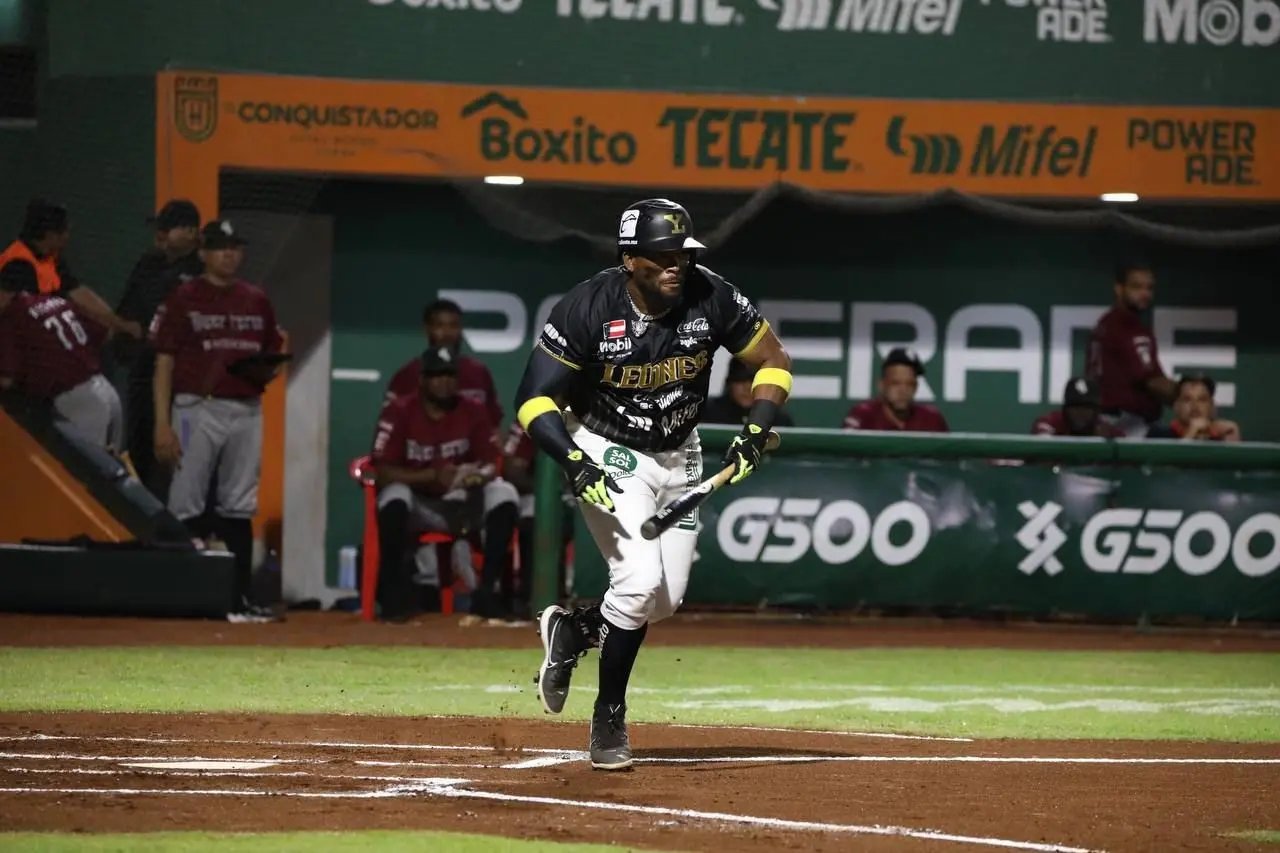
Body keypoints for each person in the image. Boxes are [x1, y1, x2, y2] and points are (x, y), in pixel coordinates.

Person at [513, 198, 792, 771]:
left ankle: (574, 629)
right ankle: (609, 715)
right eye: (663, 256)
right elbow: (532, 400)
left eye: (682, 254)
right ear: (630, 258)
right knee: (638, 583)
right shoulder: (587, 308)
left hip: (681, 454)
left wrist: (756, 429)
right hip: (606, 448)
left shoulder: (711, 294)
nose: (676, 265)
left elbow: (773, 361)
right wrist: (572, 459)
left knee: (663, 600)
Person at [149, 220, 289, 623]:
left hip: (245, 408)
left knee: (239, 503)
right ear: (204, 253)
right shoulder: (184, 296)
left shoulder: (256, 299)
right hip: (196, 407)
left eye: (234, 247)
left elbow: (272, 355)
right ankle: (176, 597)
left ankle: (236, 599)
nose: (229, 254)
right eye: (220, 247)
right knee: (185, 499)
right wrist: (162, 422)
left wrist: (264, 372)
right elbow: (164, 360)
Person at [370, 346, 520, 622]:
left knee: (504, 492)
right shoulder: (400, 410)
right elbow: (382, 472)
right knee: (394, 495)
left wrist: (477, 476)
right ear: (423, 379)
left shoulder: (473, 410)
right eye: (437, 375)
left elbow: (491, 461)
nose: (445, 381)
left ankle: (486, 592)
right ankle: (391, 594)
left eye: (450, 375)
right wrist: (430, 476)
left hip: (462, 500)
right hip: (421, 504)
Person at [115, 199, 204, 496]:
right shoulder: (148, 263)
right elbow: (126, 312)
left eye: (168, 229)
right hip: (140, 375)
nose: (160, 234)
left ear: (191, 233)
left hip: (177, 386)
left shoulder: (200, 272)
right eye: (160, 228)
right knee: (138, 454)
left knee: (171, 465)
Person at [0, 199, 141, 341]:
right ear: (50, 235)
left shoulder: (52, 258)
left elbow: (79, 293)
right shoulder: (17, 264)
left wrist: (117, 324)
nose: (68, 236)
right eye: (65, 231)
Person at [0, 291, 123, 451]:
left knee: (82, 471)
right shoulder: (53, 301)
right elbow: (104, 332)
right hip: (107, 392)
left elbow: (6, 379)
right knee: (111, 469)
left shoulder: (11, 317)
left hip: (80, 404)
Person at [381, 299, 503, 433]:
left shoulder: (479, 373)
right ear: (427, 329)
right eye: (440, 326)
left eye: (454, 325)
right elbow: (389, 426)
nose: (447, 333)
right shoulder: (407, 375)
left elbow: (494, 428)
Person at [1085, 260, 1177, 437]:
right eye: (1136, 287)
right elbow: (1153, 381)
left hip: (1106, 422)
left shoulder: (1104, 324)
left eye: (1149, 288)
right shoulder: (1130, 329)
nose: (1145, 294)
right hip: (1127, 426)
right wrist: (1188, 397)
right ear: (1119, 289)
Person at [501, 419, 576, 616]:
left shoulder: (596, 415)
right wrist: (547, 491)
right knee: (532, 518)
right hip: (537, 494)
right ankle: (532, 596)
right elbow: (511, 468)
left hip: (589, 492)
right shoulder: (532, 418)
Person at [842, 347, 948, 432]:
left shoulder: (932, 420)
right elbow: (845, 454)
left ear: (916, 387)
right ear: (882, 385)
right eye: (896, 383)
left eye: (909, 384)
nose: (903, 391)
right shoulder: (864, 416)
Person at [702, 357, 795, 427]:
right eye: (740, 379)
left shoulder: (778, 420)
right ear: (729, 383)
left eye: (753, 381)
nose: (747, 388)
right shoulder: (708, 413)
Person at [1147, 374, 1241, 441]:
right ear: (1176, 406)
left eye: (1202, 400)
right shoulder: (1158, 436)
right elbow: (1164, 467)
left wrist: (1232, 441)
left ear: (1212, 407)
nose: (1195, 405)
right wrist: (1190, 435)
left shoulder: (1220, 439)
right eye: (1187, 399)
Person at [1031, 377, 1123, 438]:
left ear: (1096, 411)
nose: (1080, 412)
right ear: (1066, 409)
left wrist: (1105, 445)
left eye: (1086, 408)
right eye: (1075, 407)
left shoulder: (1105, 430)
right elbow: (1042, 439)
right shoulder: (1051, 423)